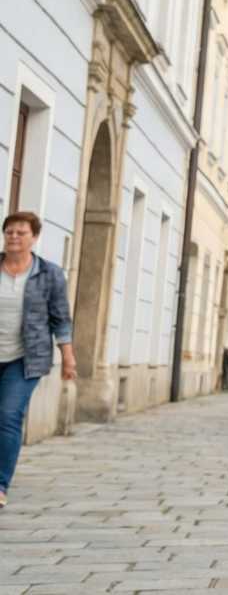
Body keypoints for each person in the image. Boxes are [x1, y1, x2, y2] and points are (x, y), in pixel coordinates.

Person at [0, 212, 74, 509]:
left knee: (8, 415)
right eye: (9, 232)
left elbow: (60, 318)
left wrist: (67, 356)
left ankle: (0, 484)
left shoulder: (49, 274)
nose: (14, 237)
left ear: (34, 237)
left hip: (25, 359)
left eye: (21, 233)